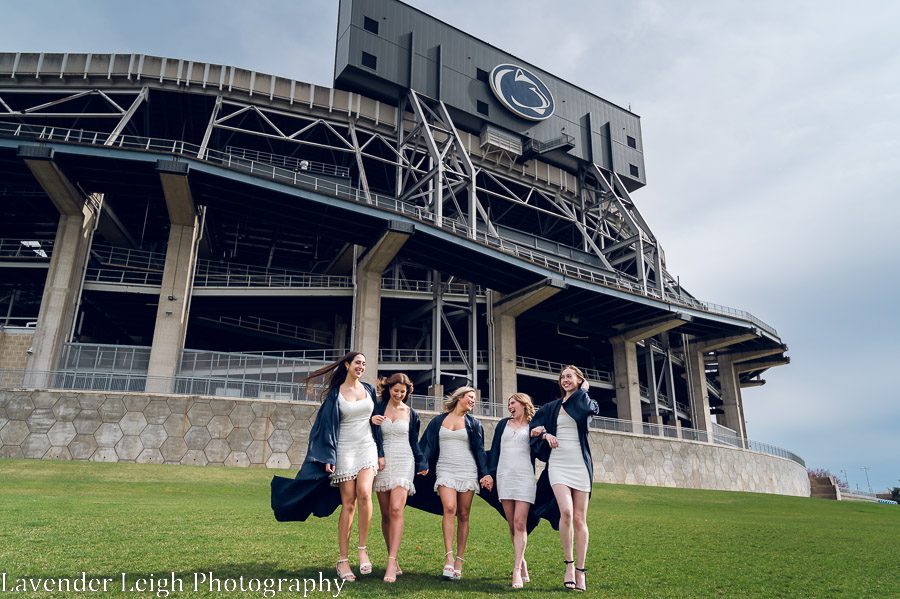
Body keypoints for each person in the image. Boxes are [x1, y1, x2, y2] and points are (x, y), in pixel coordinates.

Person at [270, 351, 379, 583]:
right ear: (347, 365)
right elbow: (325, 427)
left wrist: (379, 442)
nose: (361, 366)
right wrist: (328, 456)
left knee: (365, 493)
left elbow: (374, 417)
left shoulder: (369, 389)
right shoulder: (336, 395)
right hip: (345, 450)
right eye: (358, 363)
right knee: (348, 504)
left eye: (364, 364)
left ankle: (362, 549)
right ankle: (343, 560)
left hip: (367, 447)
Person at [530, 365, 600, 592]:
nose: (565, 380)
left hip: (580, 464)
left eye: (570, 376)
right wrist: (544, 433)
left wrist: (584, 391)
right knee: (567, 513)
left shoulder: (583, 401)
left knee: (580, 518)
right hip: (558, 464)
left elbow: (588, 411)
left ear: (580, 380)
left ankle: (581, 570)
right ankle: (569, 565)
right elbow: (533, 427)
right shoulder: (551, 407)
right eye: (562, 377)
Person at [413, 386, 493, 580]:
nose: (473, 401)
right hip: (445, 469)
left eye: (475, 399)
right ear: (460, 397)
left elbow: (479, 450)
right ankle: (448, 557)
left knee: (464, 514)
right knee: (449, 509)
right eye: (470, 397)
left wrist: (485, 473)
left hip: (467, 470)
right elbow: (427, 444)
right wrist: (422, 463)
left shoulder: (474, 423)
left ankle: (459, 560)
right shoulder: (438, 421)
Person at [369, 373, 428, 583]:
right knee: (385, 514)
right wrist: (371, 421)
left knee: (396, 509)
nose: (399, 394)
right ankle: (392, 557)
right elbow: (371, 434)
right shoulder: (377, 408)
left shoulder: (412, 413)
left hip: (405, 459)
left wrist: (422, 463)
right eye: (396, 390)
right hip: (382, 462)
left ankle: (391, 563)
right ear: (389, 389)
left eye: (403, 392)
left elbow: (414, 442)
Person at [486, 392, 538, 589]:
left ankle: (516, 569)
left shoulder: (533, 425)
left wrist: (541, 434)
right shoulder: (502, 424)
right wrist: (490, 473)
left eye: (513, 403)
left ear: (524, 404)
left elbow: (540, 451)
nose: (510, 406)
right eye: (508, 404)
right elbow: (495, 451)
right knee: (511, 524)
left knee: (519, 523)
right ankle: (522, 560)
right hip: (504, 477)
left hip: (524, 478)